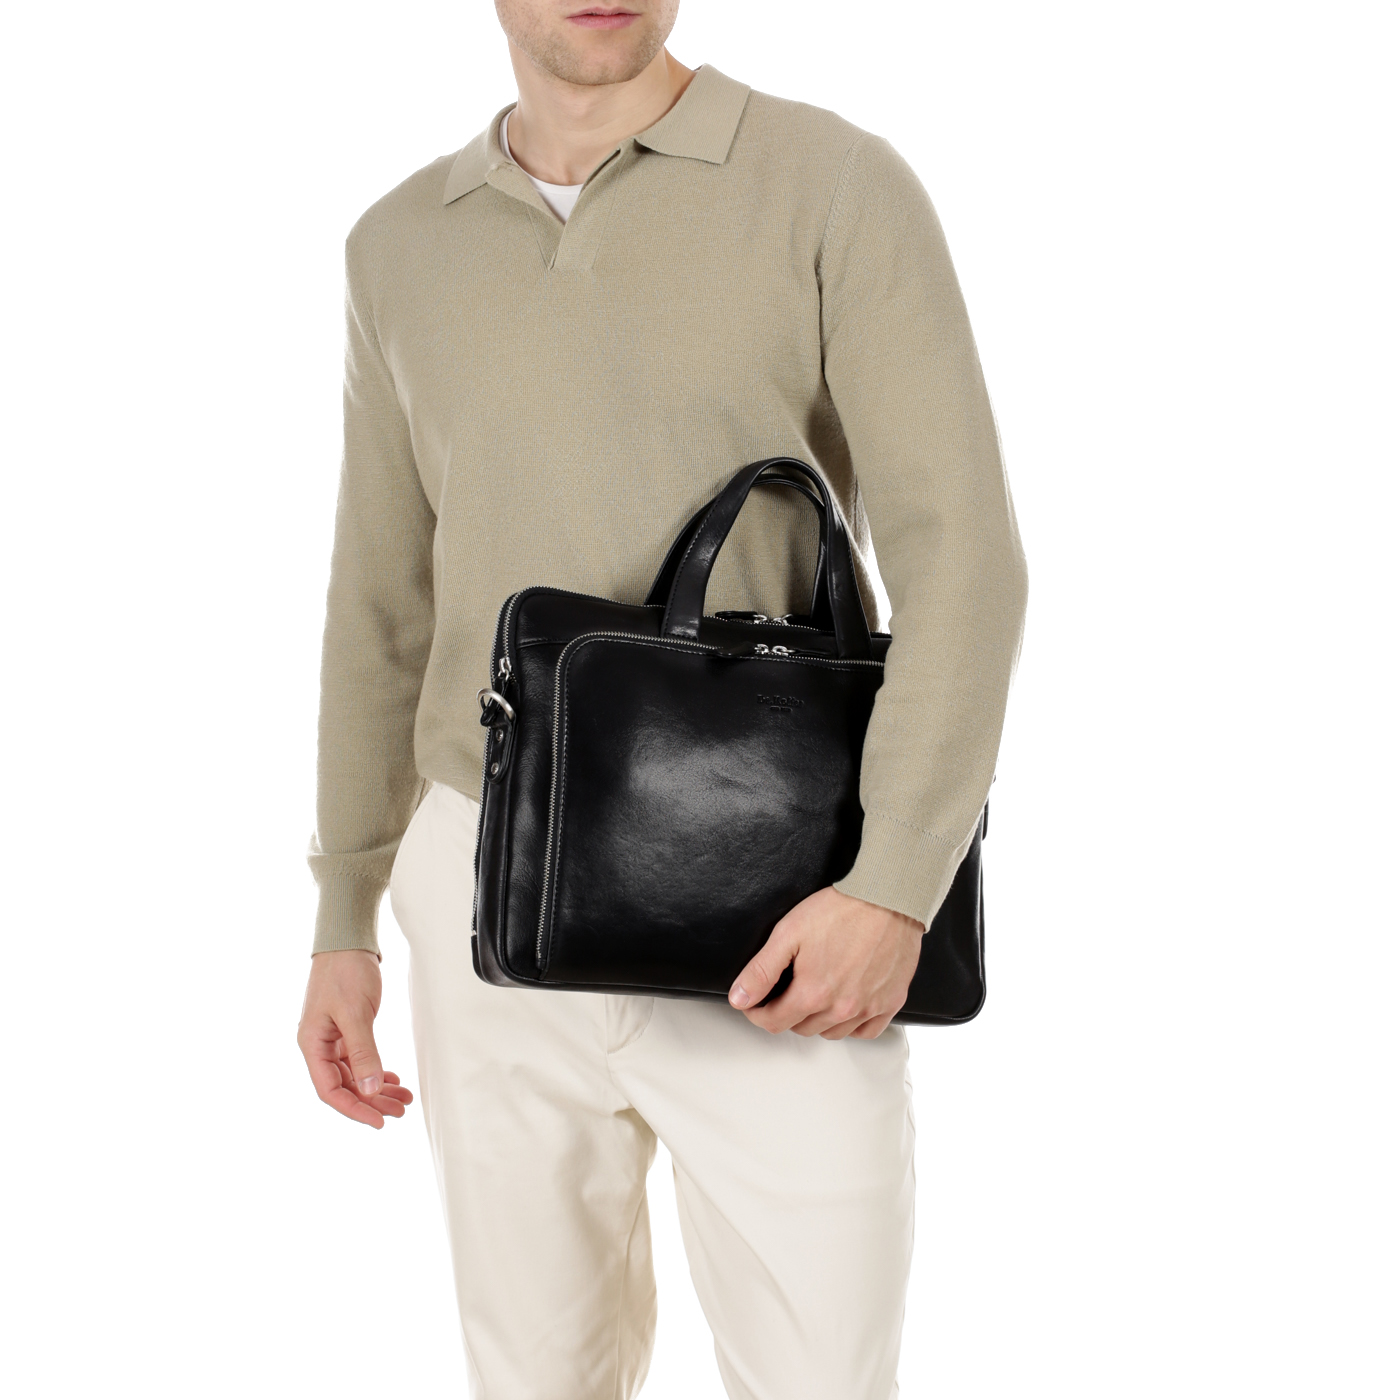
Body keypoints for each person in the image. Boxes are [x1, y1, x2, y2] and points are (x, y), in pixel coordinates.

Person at [297, 2, 1027, 1396]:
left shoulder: (831, 184)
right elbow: (381, 602)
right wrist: (345, 915)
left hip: (776, 897)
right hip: (486, 886)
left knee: (819, 1377)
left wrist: (895, 888)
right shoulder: (400, 244)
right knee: (533, 1376)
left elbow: (967, 558)